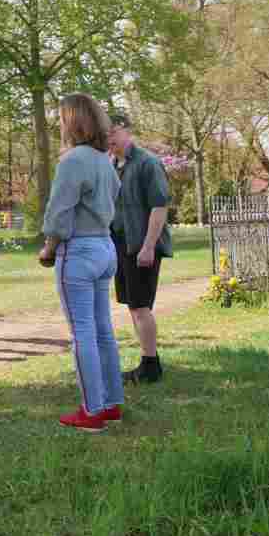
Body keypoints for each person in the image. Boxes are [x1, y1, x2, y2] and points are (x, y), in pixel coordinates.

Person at [39, 94, 124, 432]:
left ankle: (91, 411)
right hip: (105, 246)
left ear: (72, 122)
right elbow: (114, 195)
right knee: (104, 330)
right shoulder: (105, 160)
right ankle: (111, 404)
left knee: (83, 333)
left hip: (79, 251)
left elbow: (59, 213)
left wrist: (48, 248)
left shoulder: (73, 160)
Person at [107, 111, 173, 385]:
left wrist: (148, 247)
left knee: (141, 306)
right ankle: (148, 361)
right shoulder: (111, 164)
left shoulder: (147, 163)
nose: (107, 138)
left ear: (125, 130)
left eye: (111, 132)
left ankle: (151, 366)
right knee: (133, 306)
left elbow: (160, 206)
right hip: (120, 244)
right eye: (104, 133)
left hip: (143, 245)